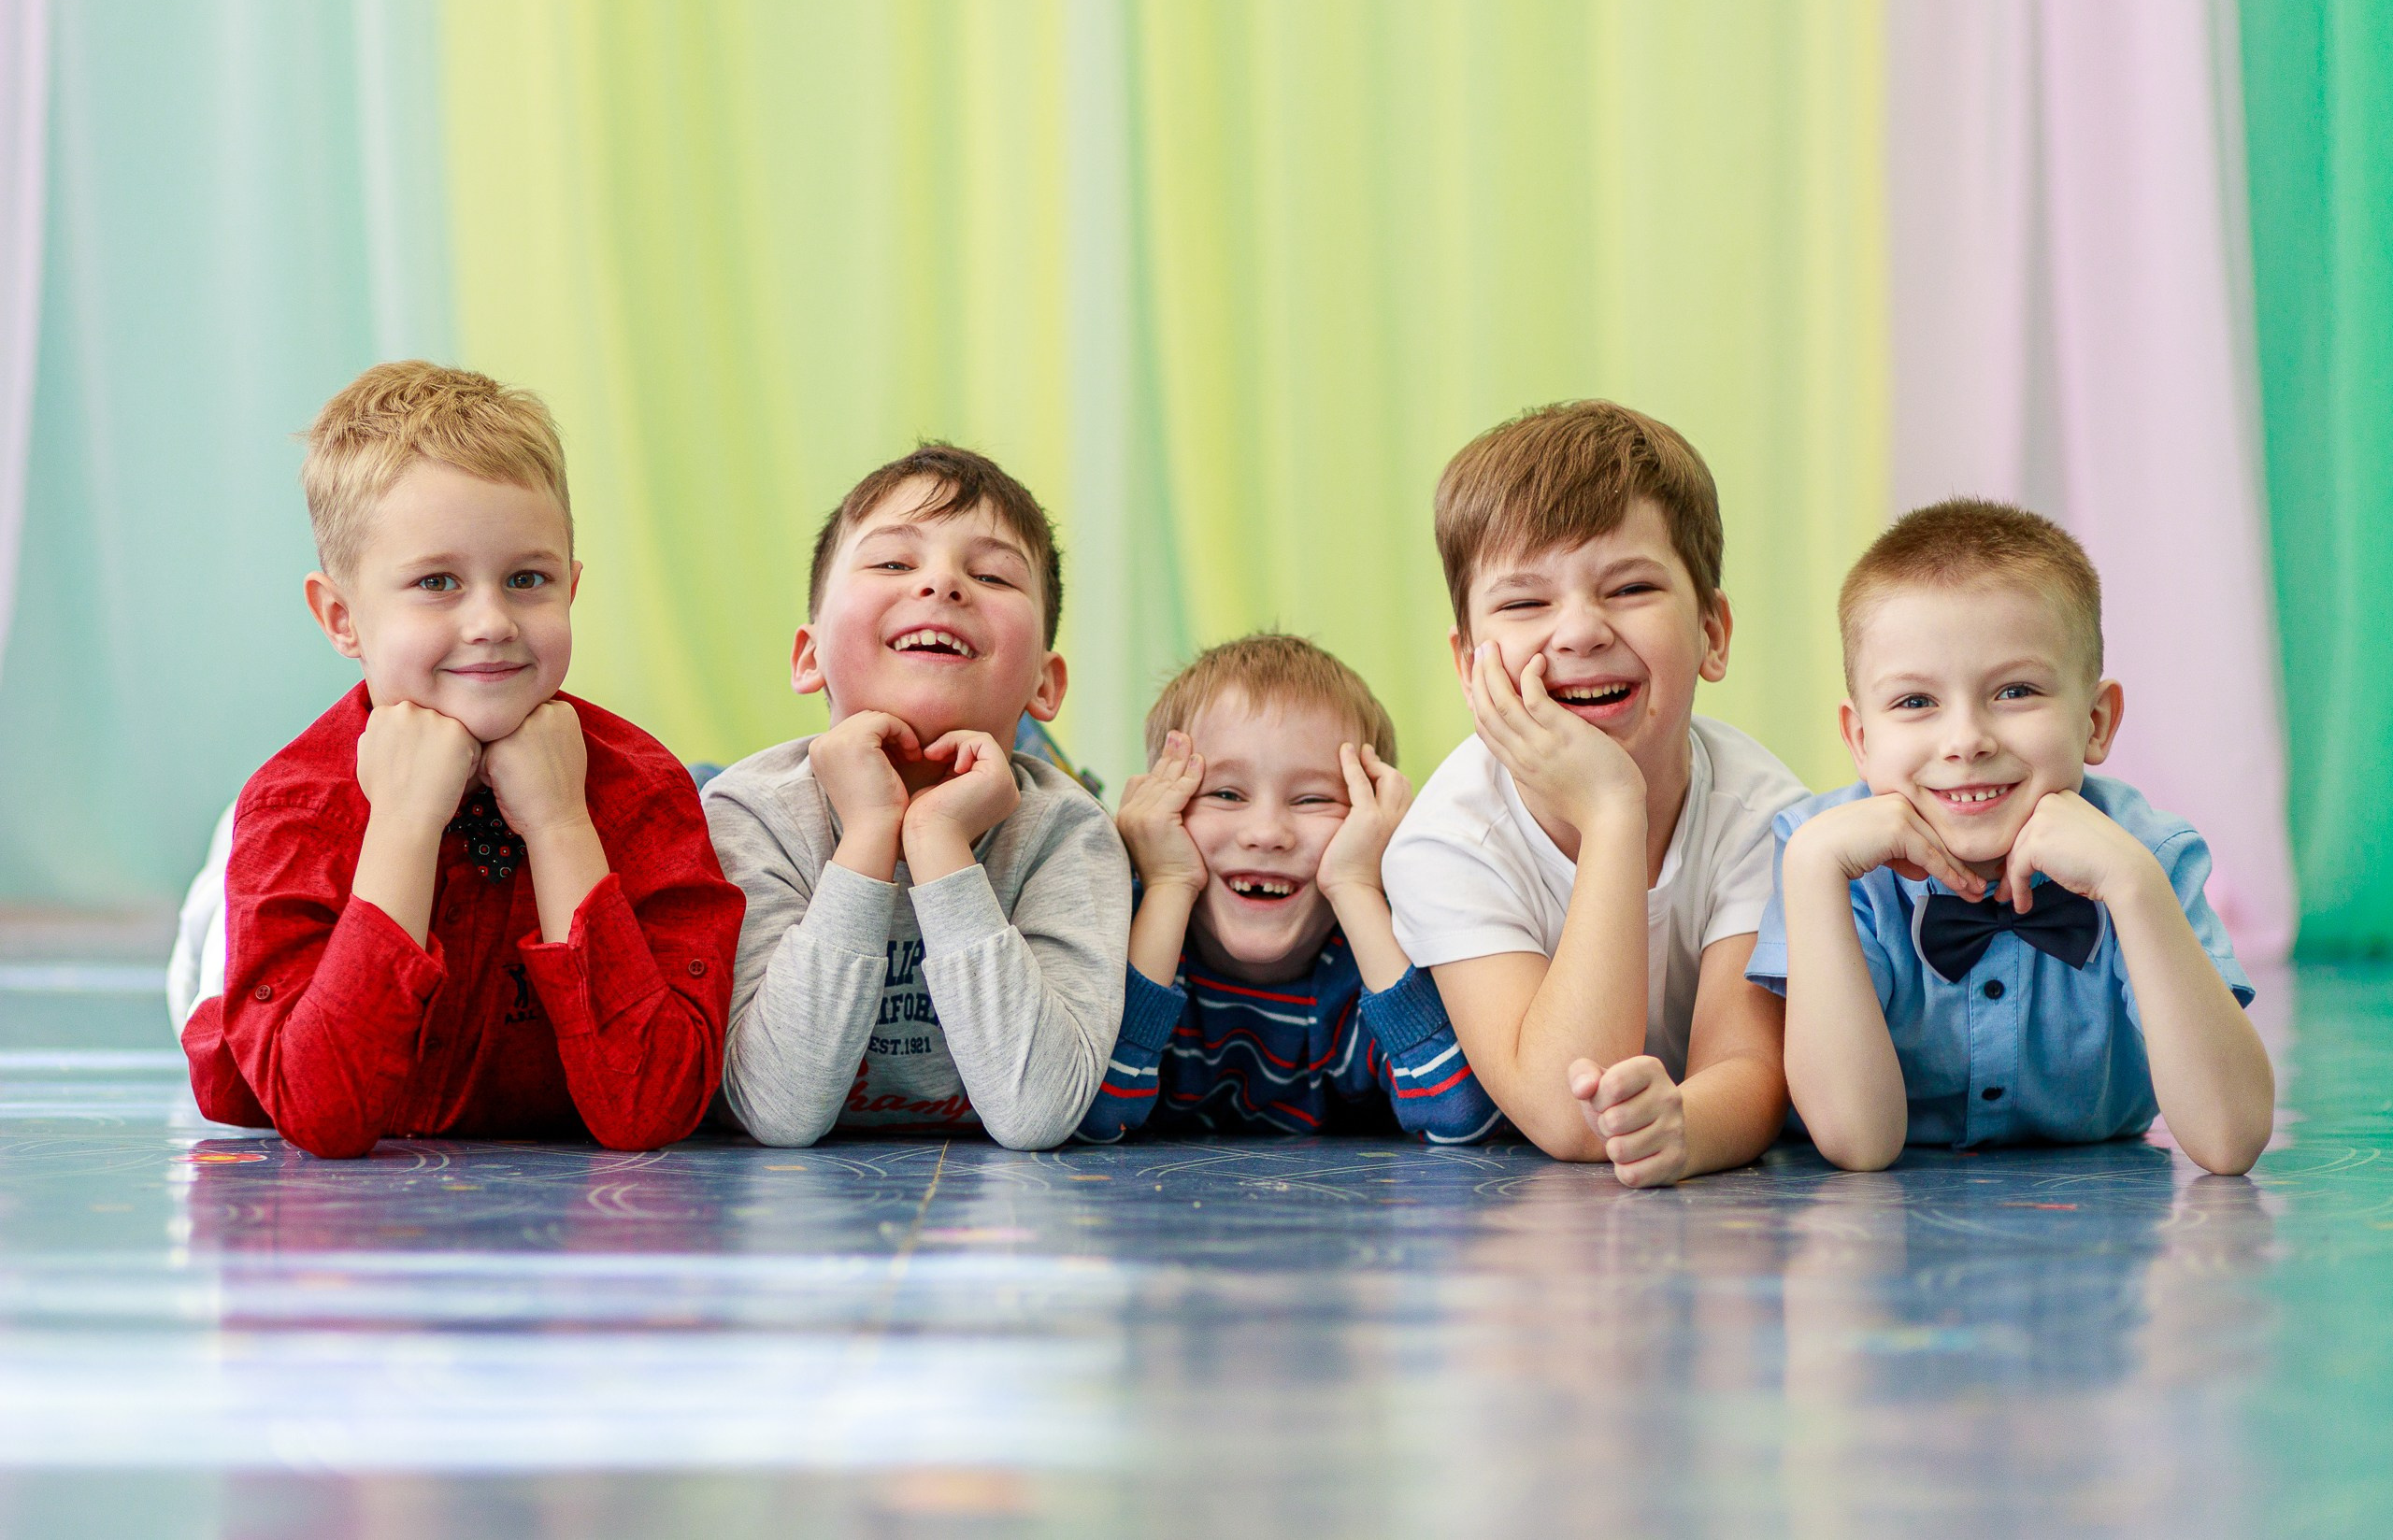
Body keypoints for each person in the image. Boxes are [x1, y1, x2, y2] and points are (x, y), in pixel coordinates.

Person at [181, 362, 744, 1159]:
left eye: (527, 579)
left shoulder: (644, 790)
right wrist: (405, 824)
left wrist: (558, 822)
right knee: (231, 1017)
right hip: (283, 926)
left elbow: (647, 1107)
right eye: (438, 582)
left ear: (572, 589)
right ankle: (214, 921)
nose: (491, 621)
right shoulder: (291, 805)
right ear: (342, 617)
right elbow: (324, 1115)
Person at [1747, 499, 2273, 1175]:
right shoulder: (1822, 855)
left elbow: (2231, 1138)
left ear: (2096, 721)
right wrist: (1814, 868)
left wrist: (2133, 887)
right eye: (1915, 702)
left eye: (2016, 691)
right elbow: (1857, 1140)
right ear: (1860, 738)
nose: (1966, 739)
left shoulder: (2150, 856)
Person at [1383, 401, 1809, 1185]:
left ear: (1714, 633)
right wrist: (1615, 812)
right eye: (1524, 602)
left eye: (1630, 586)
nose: (1579, 631)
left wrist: (1687, 1126)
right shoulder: (1446, 839)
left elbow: (1749, 1069)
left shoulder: (1766, 817)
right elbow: (1564, 1113)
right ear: (1469, 659)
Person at [703, 445, 1130, 1149]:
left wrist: (936, 838)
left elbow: (1037, 1112)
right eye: (894, 563)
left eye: (991, 573)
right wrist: (871, 830)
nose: (942, 584)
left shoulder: (1068, 832)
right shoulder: (747, 813)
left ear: (1045, 686)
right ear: (810, 657)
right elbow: (777, 1108)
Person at [1075, 634, 1500, 1144]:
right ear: (1163, 806)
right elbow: (1085, 1112)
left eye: (1313, 799)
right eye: (1227, 793)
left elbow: (1463, 1115)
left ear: (1372, 819)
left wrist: (1356, 886)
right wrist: (1166, 883)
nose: (1267, 833)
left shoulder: (1373, 957)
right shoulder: (1123, 930)